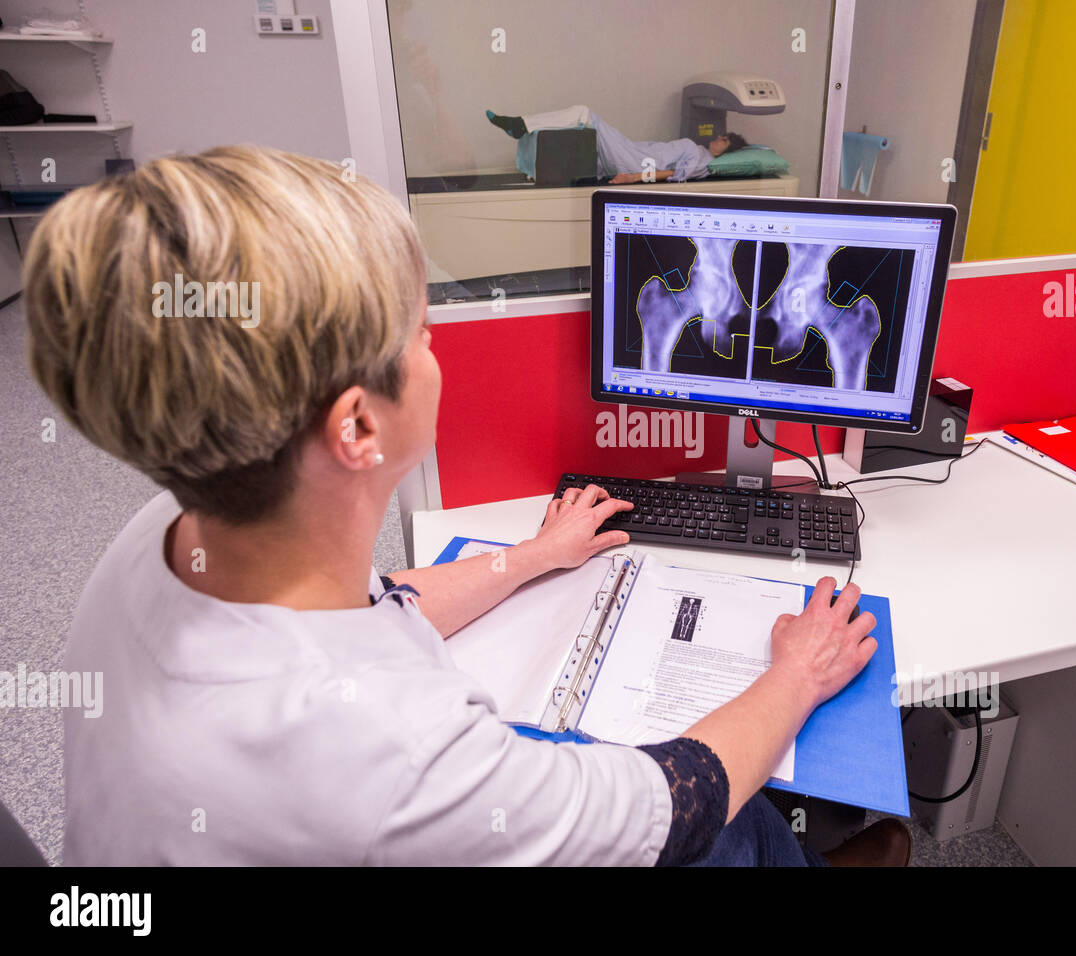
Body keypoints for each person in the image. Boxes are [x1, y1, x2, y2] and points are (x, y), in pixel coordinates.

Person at [25, 144, 910, 866]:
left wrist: (530, 558)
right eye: (418, 331)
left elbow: (378, 604)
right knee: (727, 821)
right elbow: (672, 807)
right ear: (359, 425)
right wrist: (797, 673)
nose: (436, 343)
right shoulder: (393, 752)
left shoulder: (171, 531)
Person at [487, 104, 747, 184]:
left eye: (724, 141)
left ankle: (521, 125)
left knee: (585, 113)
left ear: (728, 151)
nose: (718, 138)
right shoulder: (700, 150)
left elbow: (674, 175)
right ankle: (531, 162)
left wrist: (631, 177)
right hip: (634, 150)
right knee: (581, 134)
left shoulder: (705, 162)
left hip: (635, 160)